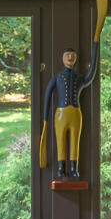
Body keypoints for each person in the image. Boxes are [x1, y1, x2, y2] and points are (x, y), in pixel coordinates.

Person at [39, 45, 97, 182]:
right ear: (62, 58)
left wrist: (95, 47)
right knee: (60, 140)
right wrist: (45, 119)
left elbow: (91, 74)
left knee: (75, 141)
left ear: (75, 58)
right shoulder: (57, 78)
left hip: (76, 114)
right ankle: (61, 167)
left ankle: (73, 168)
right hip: (60, 114)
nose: (70, 57)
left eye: (73, 55)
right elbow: (47, 96)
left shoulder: (79, 78)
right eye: (67, 55)